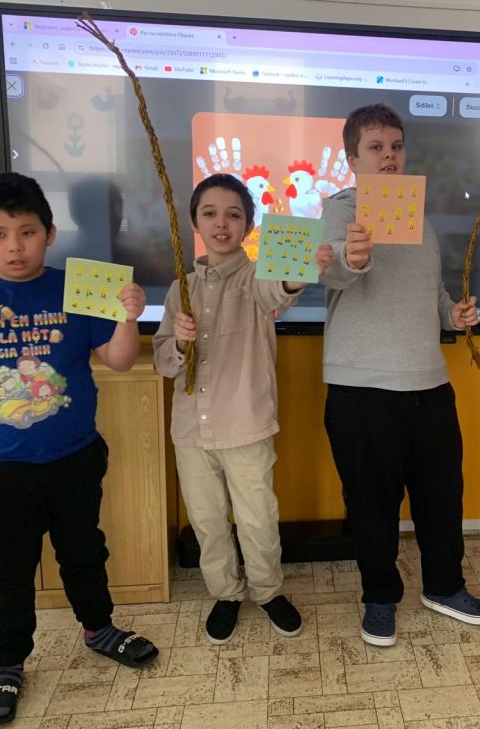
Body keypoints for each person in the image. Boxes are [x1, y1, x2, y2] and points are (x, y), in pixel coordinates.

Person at [0, 172, 157, 726]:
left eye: (27, 232)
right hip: (3, 467)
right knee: (8, 568)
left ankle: (99, 628)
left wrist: (127, 317)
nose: (14, 246)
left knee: (84, 551)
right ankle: (8, 663)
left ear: (49, 233)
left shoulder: (79, 287)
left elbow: (118, 360)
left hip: (76, 456)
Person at [319, 103, 480, 647]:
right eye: (375, 148)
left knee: (443, 499)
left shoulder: (423, 223)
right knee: (371, 507)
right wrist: (353, 257)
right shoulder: (339, 213)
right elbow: (334, 273)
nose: (389, 157)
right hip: (361, 390)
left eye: (396, 146)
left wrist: (453, 315)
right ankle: (379, 598)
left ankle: (444, 586)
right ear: (353, 159)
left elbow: (432, 294)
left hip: (430, 384)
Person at [153, 173, 333, 644]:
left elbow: (280, 290)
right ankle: (226, 593)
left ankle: (268, 591)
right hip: (191, 430)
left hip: (246, 424)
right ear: (195, 222)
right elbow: (164, 361)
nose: (221, 223)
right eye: (210, 213)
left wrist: (299, 272)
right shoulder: (180, 290)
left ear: (249, 226)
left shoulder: (258, 277)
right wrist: (179, 342)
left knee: (257, 519)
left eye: (233, 215)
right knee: (208, 521)